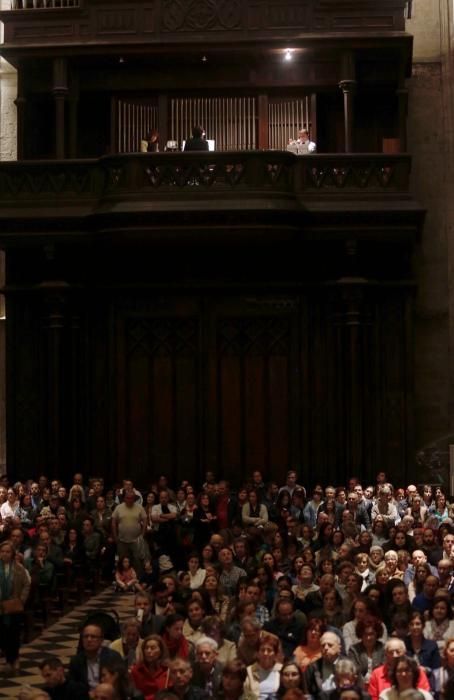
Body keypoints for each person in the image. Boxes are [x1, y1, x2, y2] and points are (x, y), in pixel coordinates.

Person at [0, 539, 31, 675]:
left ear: (12, 554)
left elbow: (26, 584)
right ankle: (8, 660)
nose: (5, 554)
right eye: (2, 551)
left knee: (14, 633)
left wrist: (21, 600)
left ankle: (15, 658)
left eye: (8, 552)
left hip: (14, 606)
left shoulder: (19, 568)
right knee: (3, 634)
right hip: (1, 607)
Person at [67, 622, 123, 693]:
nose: (89, 640)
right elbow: (72, 686)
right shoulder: (76, 660)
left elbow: (121, 684)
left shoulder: (113, 657)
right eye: (86, 636)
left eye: (93, 637)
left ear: (101, 640)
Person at [304, 631, 346, 697]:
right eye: (323, 645)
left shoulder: (349, 665)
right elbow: (307, 693)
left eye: (330, 645)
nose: (326, 648)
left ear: (339, 648)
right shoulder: (312, 667)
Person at [243, 631, 283, 699]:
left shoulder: (281, 670)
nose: (265, 653)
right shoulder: (250, 671)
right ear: (257, 653)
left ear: (275, 654)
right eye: (262, 650)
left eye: (269, 650)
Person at [130, 634, 171, 700]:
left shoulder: (168, 670)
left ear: (161, 651)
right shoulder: (136, 670)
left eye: (153, 648)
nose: (149, 651)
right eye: (146, 648)